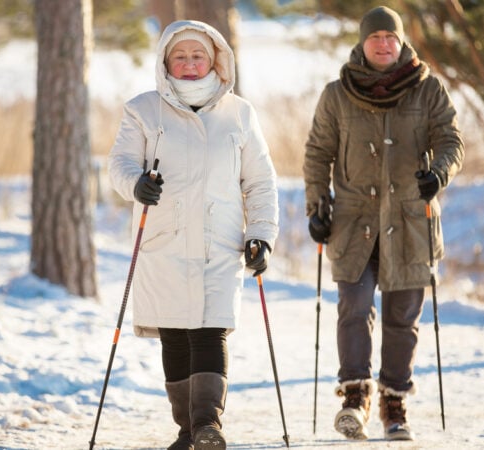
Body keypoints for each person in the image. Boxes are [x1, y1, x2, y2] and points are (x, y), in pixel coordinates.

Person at [108, 20, 279, 450]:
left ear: (214, 60)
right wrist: (136, 184)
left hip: (219, 242)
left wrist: (261, 234)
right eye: (179, 56)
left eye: (197, 55)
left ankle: (208, 425)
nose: (188, 64)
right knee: (175, 335)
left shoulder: (240, 113)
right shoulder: (143, 110)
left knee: (210, 330)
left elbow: (259, 182)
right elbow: (119, 166)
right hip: (163, 241)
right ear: (165, 62)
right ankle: (187, 430)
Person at [303, 5, 464, 442]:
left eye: (389, 37)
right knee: (354, 308)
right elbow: (318, 152)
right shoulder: (337, 93)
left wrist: (439, 174)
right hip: (353, 224)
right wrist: (317, 206)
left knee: (402, 317)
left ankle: (394, 401)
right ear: (363, 42)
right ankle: (355, 397)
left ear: (401, 41)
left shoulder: (428, 90)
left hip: (411, 219)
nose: (383, 44)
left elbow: (450, 140)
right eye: (375, 38)